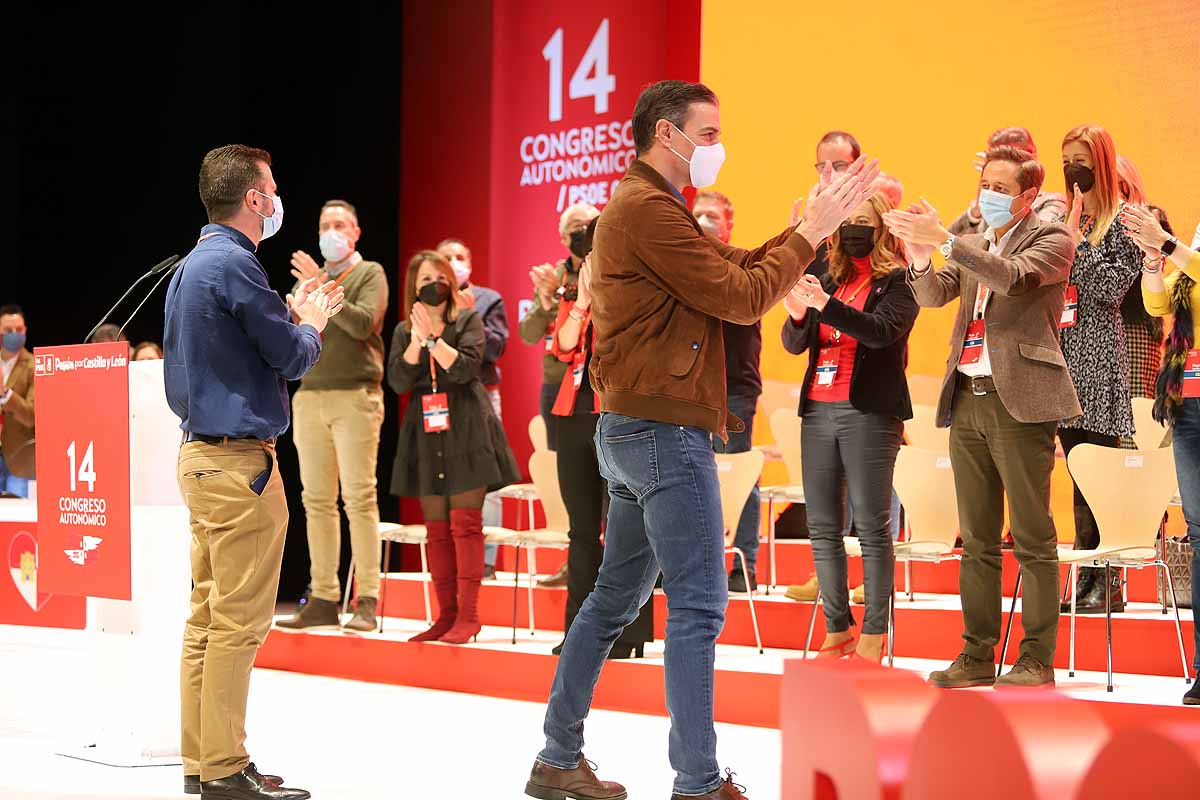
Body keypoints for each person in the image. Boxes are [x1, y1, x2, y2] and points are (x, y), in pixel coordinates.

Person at [524, 79, 879, 800]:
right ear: (666, 133)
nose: (717, 148)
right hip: (662, 431)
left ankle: (558, 759)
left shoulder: (648, 206)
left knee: (612, 600)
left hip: (633, 429)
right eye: (709, 134)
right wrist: (810, 234)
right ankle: (697, 781)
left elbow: (733, 269)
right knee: (698, 605)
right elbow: (740, 295)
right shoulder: (647, 208)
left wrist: (806, 229)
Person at [165, 144, 338, 800]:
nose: (276, 200)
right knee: (236, 623)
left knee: (208, 619)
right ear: (256, 200)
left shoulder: (190, 267)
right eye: (272, 189)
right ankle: (225, 770)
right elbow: (291, 357)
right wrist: (312, 324)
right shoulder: (236, 266)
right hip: (240, 467)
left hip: (200, 457)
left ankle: (204, 759)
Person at [884, 145, 1080, 689]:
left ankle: (1037, 657)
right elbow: (931, 293)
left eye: (1000, 187)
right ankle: (976, 654)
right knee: (975, 537)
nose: (987, 195)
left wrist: (948, 241)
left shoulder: (1052, 239)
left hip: (1021, 400)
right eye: (984, 184)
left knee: (1034, 536)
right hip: (967, 395)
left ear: (1028, 196)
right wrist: (920, 252)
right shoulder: (974, 242)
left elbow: (1013, 277)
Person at [781, 192, 918, 663]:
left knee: (873, 529)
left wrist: (825, 305)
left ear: (882, 229)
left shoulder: (899, 282)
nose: (853, 229)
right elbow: (796, 343)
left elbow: (879, 332)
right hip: (818, 410)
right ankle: (837, 628)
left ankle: (876, 632)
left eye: (864, 221)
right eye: (848, 221)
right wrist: (799, 313)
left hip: (870, 414)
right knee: (821, 527)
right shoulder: (827, 276)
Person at [387, 251, 521, 645]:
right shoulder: (402, 330)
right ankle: (444, 616)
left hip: (466, 427)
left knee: (465, 525)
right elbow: (398, 379)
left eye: (438, 276)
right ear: (413, 285)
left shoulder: (467, 319)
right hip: (426, 433)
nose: (432, 283)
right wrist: (415, 342)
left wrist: (433, 339)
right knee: (437, 530)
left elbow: (466, 368)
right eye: (424, 277)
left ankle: (470, 615)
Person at [275, 199, 389, 634]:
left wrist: (321, 286)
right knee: (316, 501)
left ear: (356, 232)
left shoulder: (368, 273)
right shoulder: (312, 283)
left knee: (359, 497)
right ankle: (323, 595)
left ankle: (367, 599)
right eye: (325, 224)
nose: (331, 231)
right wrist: (297, 307)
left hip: (355, 395)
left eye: (340, 224)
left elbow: (363, 324)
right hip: (310, 395)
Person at [548, 219, 654, 659]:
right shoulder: (576, 294)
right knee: (582, 532)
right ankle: (579, 632)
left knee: (628, 530)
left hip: (620, 414)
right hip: (575, 416)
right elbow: (562, 345)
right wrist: (581, 303)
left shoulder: (635, 290)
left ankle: (628, 633)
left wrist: (605, 299)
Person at [1057, 125, 1142, 614]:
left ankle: (1105, 581)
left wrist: (1074, 243)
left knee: (1099, 475)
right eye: (1067, 158)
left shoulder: (1124, 220)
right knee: (1075, 473)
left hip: (1099, 356)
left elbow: (1111, 289)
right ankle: (1085, 576)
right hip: (1063, 355)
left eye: (1081, 158)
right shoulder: (1067, 218)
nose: (1073, 168)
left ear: (1102, 162)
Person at [1122, 203, 1200, 705]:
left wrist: (1171, 248)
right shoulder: (1188, 277)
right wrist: (1153, 260)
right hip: (1188, 408)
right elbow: (1156, 307)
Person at [518, 201, 599, 588]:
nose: (580, 233)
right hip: (559, 386)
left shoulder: (603, 267)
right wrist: (549, 299)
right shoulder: (555, 276)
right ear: (563, 236)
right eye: (574, 228)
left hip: (598, 390)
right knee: (569, 478)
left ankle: (601, 560)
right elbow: (529, 333)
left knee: (605, 482)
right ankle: (576, 559)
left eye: (586, 225)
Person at [694, 189, 763, 592]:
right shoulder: (681, 266)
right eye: (697, 215)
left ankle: (744, 565)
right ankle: (692, 567)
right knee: (689, 478)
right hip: (690, 391)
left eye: (711, 216)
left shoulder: (744, 265)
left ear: (728, 224)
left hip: (733, 388)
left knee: (738, 474)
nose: (703, 222)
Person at [438, 237, 510, 580]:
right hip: (440, 399)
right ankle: (453, 555)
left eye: (460, 257)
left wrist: (469, 315)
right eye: (446, 258)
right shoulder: (429, 301)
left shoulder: (487, 299)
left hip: (480, 395)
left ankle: (487, 560)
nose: (454, 263)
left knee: (486, 476)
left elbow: (495, 349)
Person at [949, 127, 1067, 236]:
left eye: (1010, 157)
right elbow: (950, 246)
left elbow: (1034, 240)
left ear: (1031, 157)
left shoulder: (1052, 202)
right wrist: (978, 210)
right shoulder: (990, 206)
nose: (998, 165)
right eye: (994, 158)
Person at [1113, 156, 1162, 407]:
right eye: (1109, 184)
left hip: (1135, 325)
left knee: (1136, 408)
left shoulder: (1150, 217)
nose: (1117, 191)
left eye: (1122, 184)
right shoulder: (1090, 224)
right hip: (1094, 328)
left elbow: (1152, 271)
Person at [787, 130, 862, 277]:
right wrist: (796, 244)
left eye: (839, 165)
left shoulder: (877, 217)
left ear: (859, 166)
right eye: (823, 167)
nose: (830, 174)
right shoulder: (812, 218)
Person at [0, 304, 34, 498]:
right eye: (8, 330)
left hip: (20, 461)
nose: (14, 334)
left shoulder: (35, 366)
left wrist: (5, 394)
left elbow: (32, 416)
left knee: (18, 521)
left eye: (18, 330)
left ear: (25, 330)